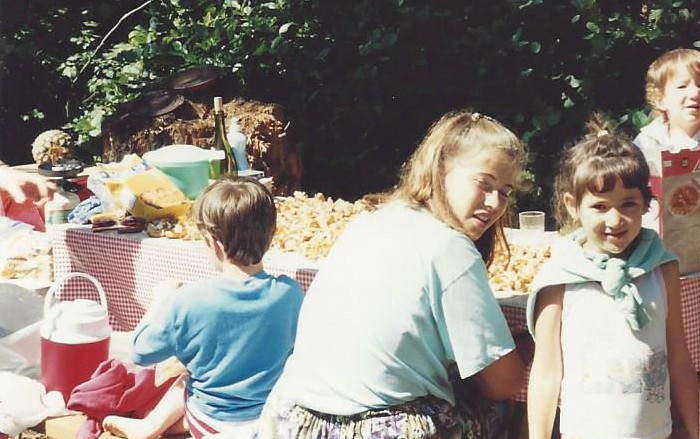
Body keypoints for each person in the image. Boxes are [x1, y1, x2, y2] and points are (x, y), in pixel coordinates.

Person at [259, 110, 526, 439]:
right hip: (372, 430)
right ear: (440, 170)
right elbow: (503, 384)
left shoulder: (371, 220)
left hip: (292, 418)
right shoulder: (451, 249)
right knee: (502, 405)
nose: (495, 202)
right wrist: (523, 347)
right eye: (484, 183)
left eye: (506, 191)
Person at [526, 115, 699, 439]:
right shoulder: (560, 279)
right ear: (573, 206)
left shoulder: (662, 268)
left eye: (628, 204)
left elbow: (678, 356)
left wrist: (695, 428)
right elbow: (546, 372)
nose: (615, 219)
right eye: (600, 206)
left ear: (646, 202)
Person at [102, 177, 305, 439]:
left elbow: (140, 352)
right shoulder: (291, 294)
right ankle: (157, 427)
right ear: (271, 235)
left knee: (186, 377)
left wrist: (160, 301)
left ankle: (151, 427)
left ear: (215, 245)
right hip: (270, 418)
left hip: (215, 420)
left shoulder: (188, 301)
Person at [633, 48, 700, 175]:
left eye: (699, 85)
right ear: (660, 100)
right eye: (682, 86)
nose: (695, 93)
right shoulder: (648, 142)